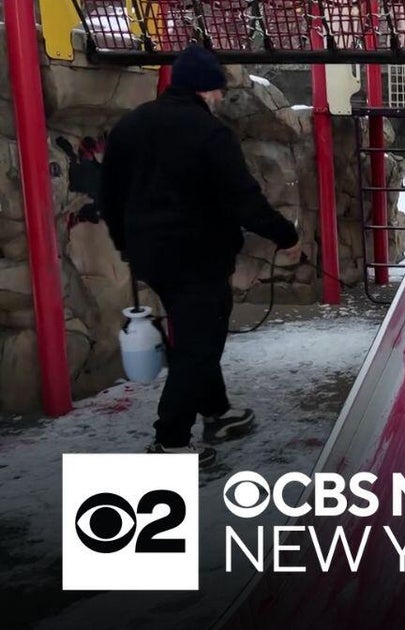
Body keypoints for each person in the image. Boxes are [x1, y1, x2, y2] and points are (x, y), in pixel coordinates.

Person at [100, 44, 299, 467]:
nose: (220, 99)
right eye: (218, 92)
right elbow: (244, 198)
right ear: (207, 91)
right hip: (199, 258)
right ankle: (170, 441)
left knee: (194, 336)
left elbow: (109, 196)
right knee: (198, 347)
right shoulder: (210, 133)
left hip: (152, 257)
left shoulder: (131, 125)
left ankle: (217, 412)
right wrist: (285, 234)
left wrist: (126, 244)